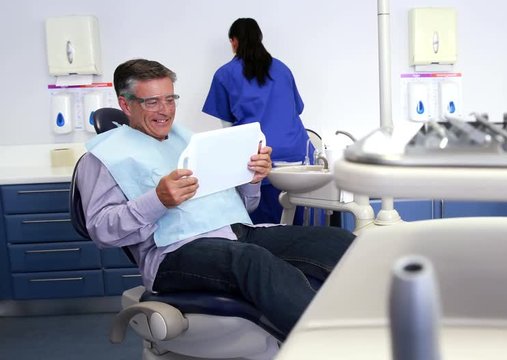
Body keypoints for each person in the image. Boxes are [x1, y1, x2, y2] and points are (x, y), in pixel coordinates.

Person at [77, 58, 354, 335]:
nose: (165, 111)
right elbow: (101, 231)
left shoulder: (188, 141)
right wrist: (158, 200)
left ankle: (373, 326)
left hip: (238, 233)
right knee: (252, 261)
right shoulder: (104, 158)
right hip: (174, 253)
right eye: (152, 102)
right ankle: (329, 344)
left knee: (336, 241)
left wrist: (252, 180)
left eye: (170, 99)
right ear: (126, 105)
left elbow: (243, 206)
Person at [203, 18, 310, 225]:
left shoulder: (225, 74)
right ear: (260, 38)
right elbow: (297, 109)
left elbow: (228, 131)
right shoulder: (282, 69)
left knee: (264, 232)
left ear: (233, 41)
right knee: (299, 231)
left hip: (260, 161)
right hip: (299, 157)